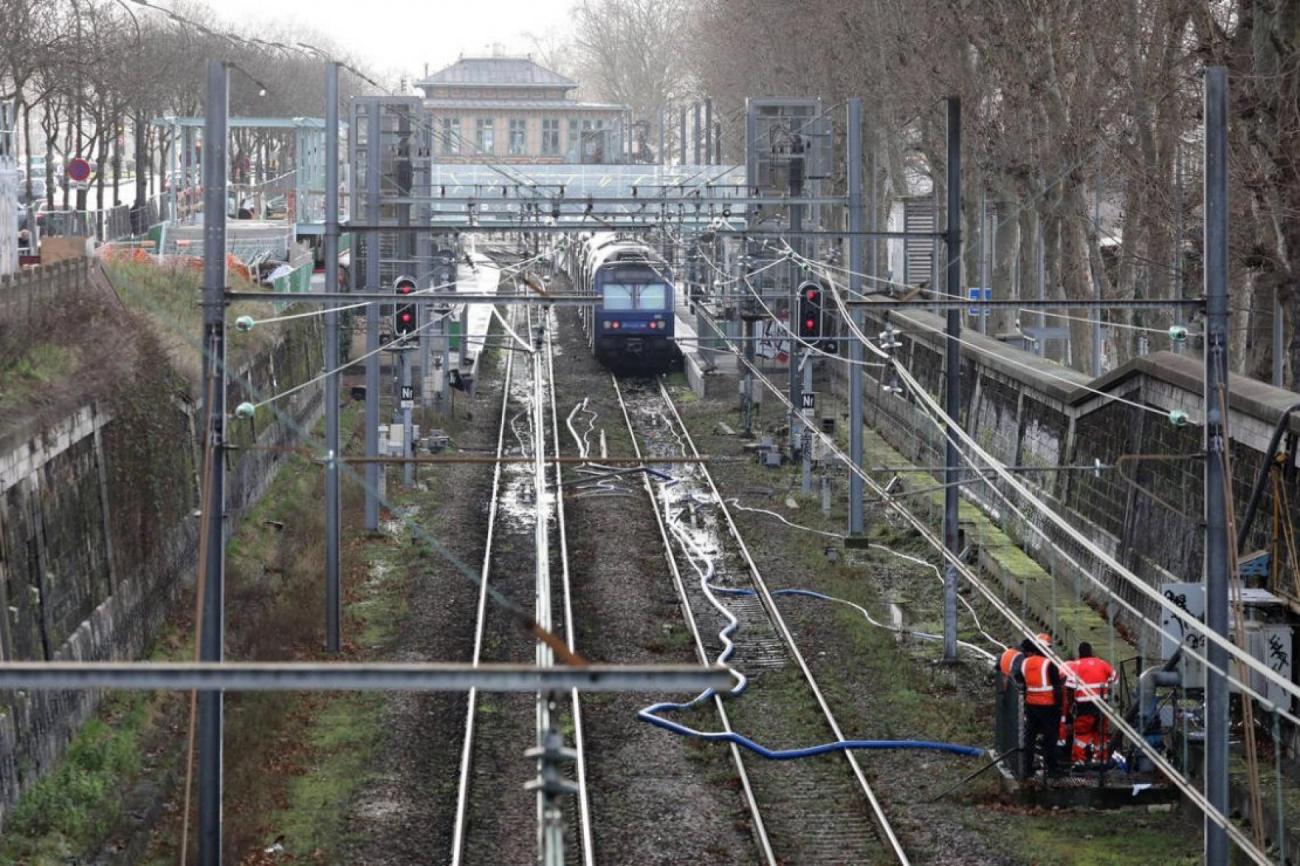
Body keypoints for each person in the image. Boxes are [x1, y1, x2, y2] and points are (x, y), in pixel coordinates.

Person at [1017, 637, 1064, 779]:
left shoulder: (1025, 663)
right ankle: (1052, 770)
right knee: (1050, 738)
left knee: (1030, 737)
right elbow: (1057, 688)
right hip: (1048, 706)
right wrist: (1059, 706)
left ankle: (1027, 768)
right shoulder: (1049, 664)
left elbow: (1020, 679)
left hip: (1031, 704)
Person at [1065, 641, 1116, 766]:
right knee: (1101, 733)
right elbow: (1114, 679)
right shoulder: (1102, 663)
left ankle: (1079, 761)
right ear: (1091, 652)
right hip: (1102, 704)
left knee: (1082, 734)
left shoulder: (1075, 666)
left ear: (1079, 653)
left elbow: (1070, 688)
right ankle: (1101, 759)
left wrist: (1070, 705)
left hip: (1084, 705)